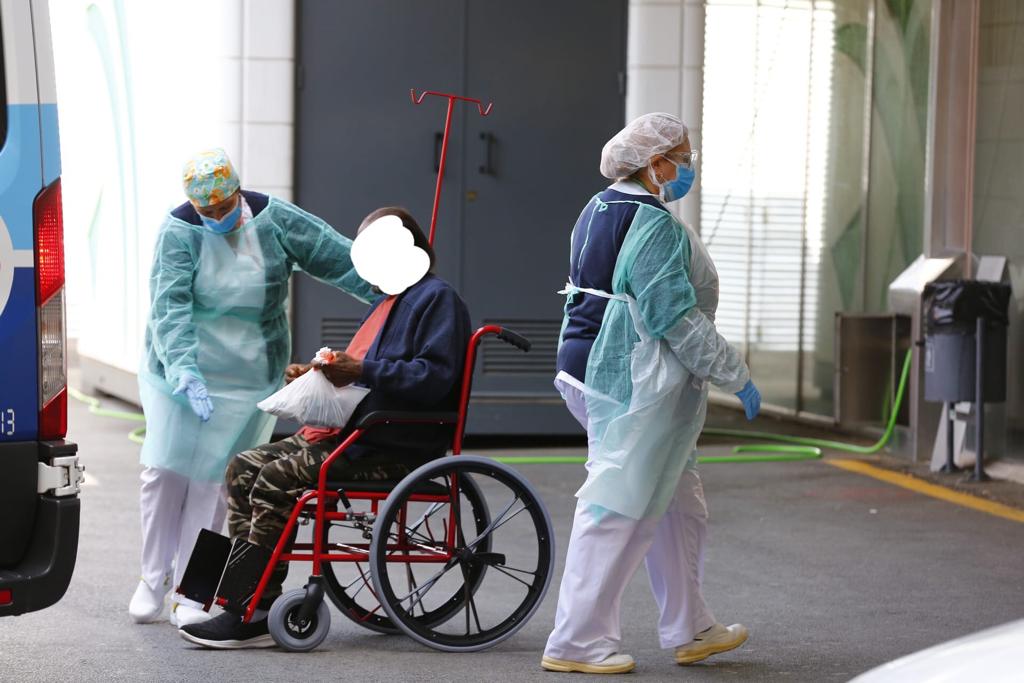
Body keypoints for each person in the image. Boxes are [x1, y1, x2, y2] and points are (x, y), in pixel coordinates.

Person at [178, 207, 471, 649]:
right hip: (357, 432)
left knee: (277, 478)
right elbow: (366, 374)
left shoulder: (436, 300)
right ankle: (235, 598)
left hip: (392, 443)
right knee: (242, 466)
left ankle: (251, 608)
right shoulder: (388, 304)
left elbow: (432, 378)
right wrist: (320, 376)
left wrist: (361, 369)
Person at [541, 113, 762, 674]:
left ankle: (691, 626)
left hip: (594, 364)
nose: (686, 166)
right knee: (621, 506)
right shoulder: (652, 223)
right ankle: (576, 641)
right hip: (632, 378)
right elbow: (674, 317)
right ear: (652, 161)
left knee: (678, 503)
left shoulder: (598, 206)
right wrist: (735, 373)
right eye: (681, 156)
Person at [129, 149, 377, 628]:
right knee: (163, 471)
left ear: (238, 191)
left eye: (225, 207)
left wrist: (393, 287)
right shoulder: (179, 231)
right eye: (208, 212)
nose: (218, 218)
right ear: (193, 206)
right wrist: (184, 369)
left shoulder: (274, 219)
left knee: (215, 480)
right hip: (181, 369)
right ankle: (151, 576)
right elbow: (170, 305)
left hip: (248, 370)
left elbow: (335, 256)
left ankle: (194, 586)